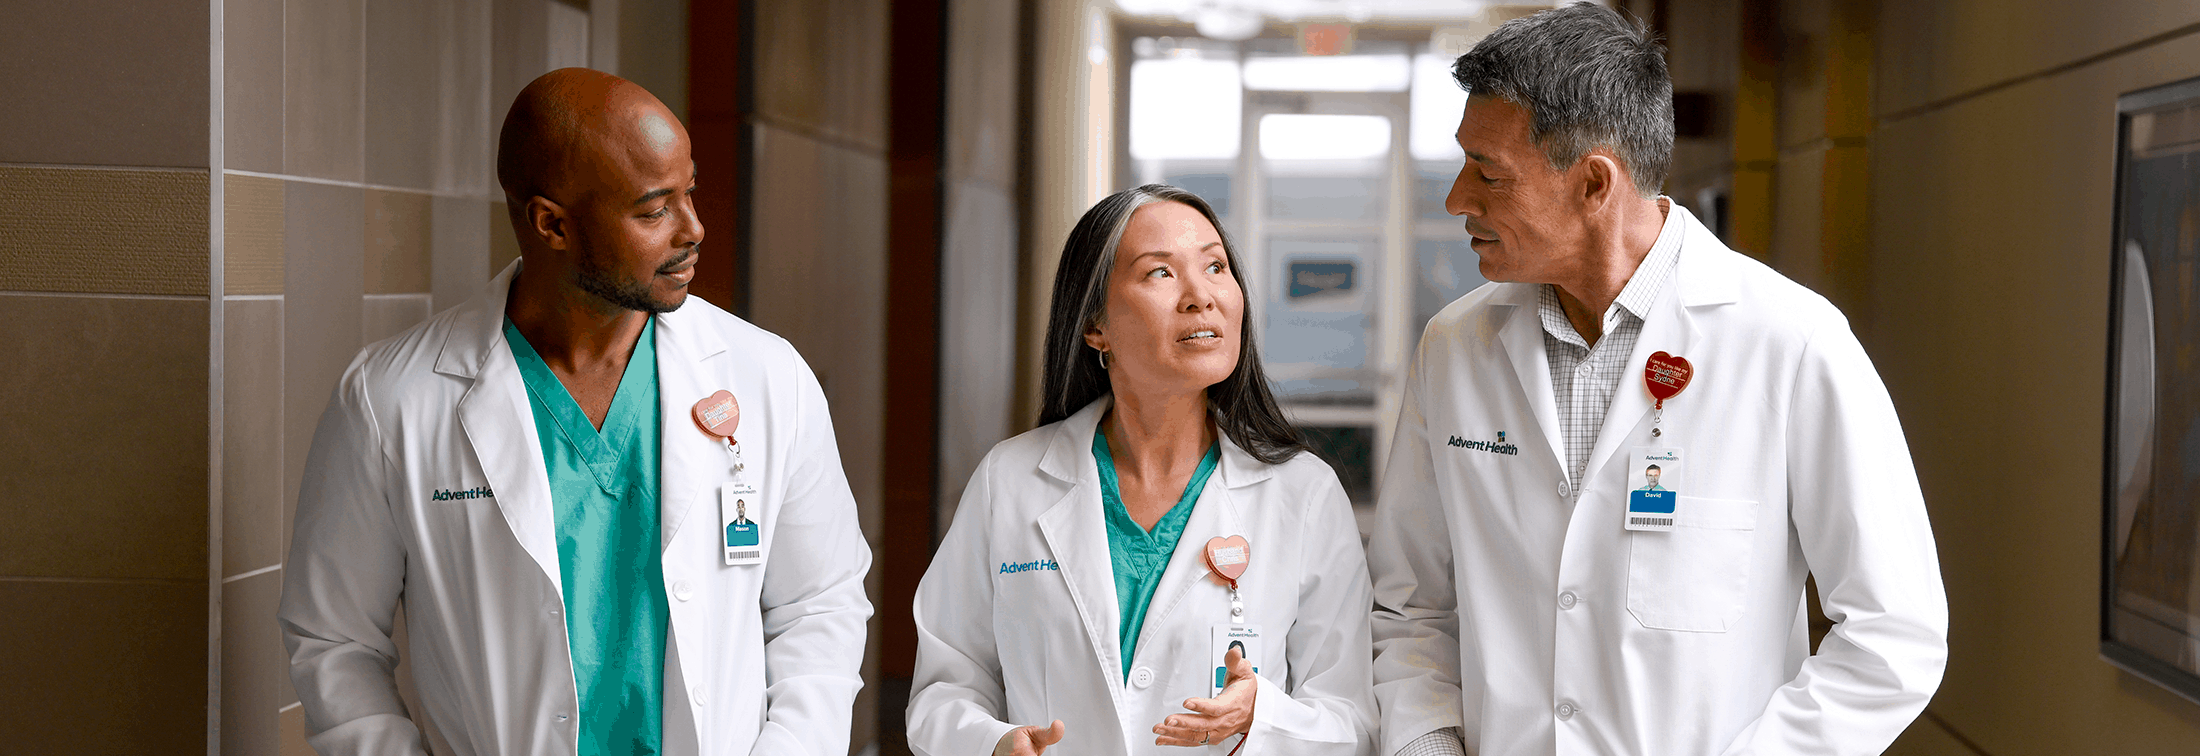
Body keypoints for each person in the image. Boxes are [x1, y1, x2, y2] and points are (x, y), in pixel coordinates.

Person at [1367, 6, 1948, 756]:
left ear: (1594, 184)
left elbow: (1894, 633)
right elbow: (1413, 604)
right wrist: (1428, 745)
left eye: (1489, 173)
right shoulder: (1455, 347)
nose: (1457, 200)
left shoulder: (1791, 344)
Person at [278, 68, 872, 756]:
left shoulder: (769, 378)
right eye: (654, 210)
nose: (694, 229)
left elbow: (819, 606)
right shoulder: (392, 400)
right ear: (551, 223)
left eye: (690, 193)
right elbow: (334, 639)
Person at [907, 185, 1377, 756]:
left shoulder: (1303, 494)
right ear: (1095, 325)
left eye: (1215, 266)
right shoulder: (1010, 481)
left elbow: (1352, 721)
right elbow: (944, 689)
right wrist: (994, 742)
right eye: (1160, 273)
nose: (1200, 296)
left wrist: (1262, 718)